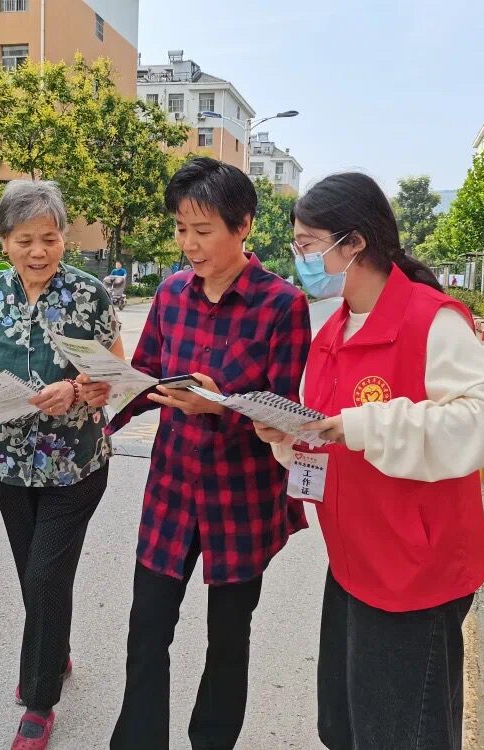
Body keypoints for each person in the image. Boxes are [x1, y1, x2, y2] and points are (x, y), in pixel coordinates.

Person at [253, 172, 484, 750]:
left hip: (414, 570)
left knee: (404, 734)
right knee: (344, 726)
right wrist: (287, 436)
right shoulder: (334, 332)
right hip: (353, 561)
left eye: (307, 244)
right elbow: (328, 437)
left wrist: (362, 426)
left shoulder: (430, 320)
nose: (300, 259)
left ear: (354, 243)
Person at [79, 157, 312, 750]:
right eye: (181, 228)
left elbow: (286, 413)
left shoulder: (282, 306)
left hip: (241, 498)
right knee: (146, 632)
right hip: (173, 490)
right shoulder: (170, 294)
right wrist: (106, 396)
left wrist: (221, 408)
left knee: (228, 640)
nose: (189, 244)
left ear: (243, 226)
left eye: (203, 230)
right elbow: (147, 377)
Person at [0, 180, 122, 750]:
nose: (38, 251)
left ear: (64, 238)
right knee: (35, 575)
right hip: (8, 461)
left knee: (46, 574)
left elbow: (116, 375)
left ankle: (39, 699)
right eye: (25, 240)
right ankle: (55, 650)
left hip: (75, 463)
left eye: (49, 238)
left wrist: (77, 388)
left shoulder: (89, 294)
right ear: (4, 242)